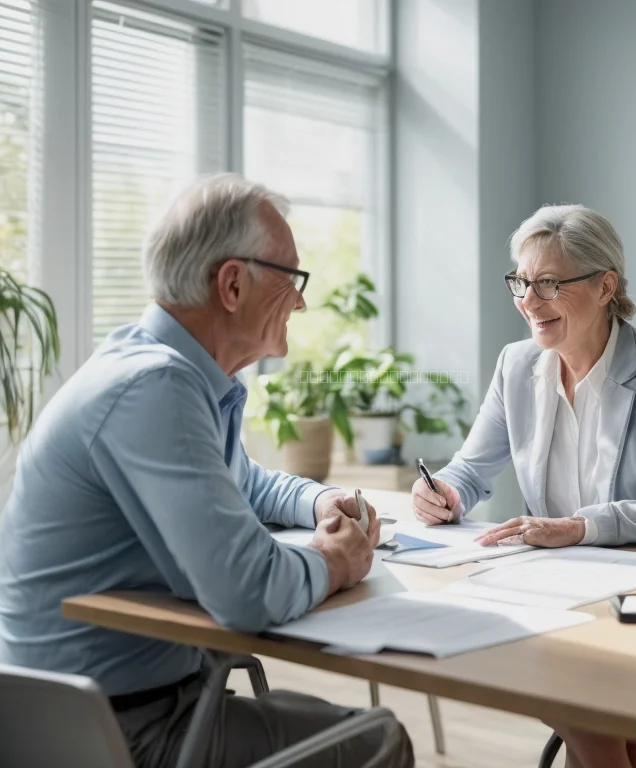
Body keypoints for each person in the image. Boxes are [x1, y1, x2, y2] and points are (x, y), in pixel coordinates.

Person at [0, 174, 414, 768]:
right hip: (105, 732)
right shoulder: (154, 386)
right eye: (293, 279)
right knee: (379, 741)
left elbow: (245, 481)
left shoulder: (170, 374)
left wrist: (319, 503)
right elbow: (245, 591)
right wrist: (335, 561)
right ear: (233, 283)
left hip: (124, 704)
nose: (301, 301)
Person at [411, 204, 636, 768]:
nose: (529, 302)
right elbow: (468, 470)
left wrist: (579, 528)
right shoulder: (517, 365)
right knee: (604, 724)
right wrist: (446, 494)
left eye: (550, 284)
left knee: (601, 719)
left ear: (606, 286)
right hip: (565, 593)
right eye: (522, 282)